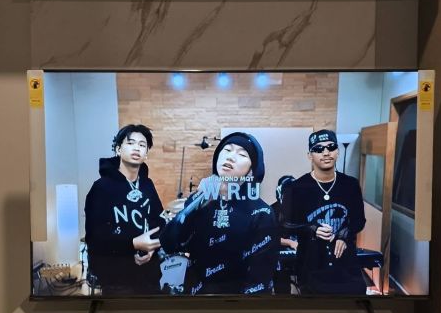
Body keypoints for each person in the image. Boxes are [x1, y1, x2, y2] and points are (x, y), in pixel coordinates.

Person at [154, 132, 279, 295]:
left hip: (237, 303)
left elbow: (260, 279)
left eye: (242, 154)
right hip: (196, 299)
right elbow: (169, 242)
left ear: (251, 171)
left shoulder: (261, 213)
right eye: (227, 150)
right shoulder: (199, 200)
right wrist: (197, 203)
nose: (231, 157)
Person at [276, 129, 367, 295]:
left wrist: (344, 234)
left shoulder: (351, 185)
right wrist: (312, 228)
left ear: (337, 152)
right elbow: (285, 224)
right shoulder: (295, 188)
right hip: (311, 268)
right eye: (318, 149)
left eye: (331, 147)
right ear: (309, 156)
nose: (326, 153)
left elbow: (359, 220)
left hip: (346, 267)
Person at [84, 124, 164, 296]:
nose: (137, 148)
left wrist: (152, 248)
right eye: (131, 143)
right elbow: (95, 238)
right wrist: (132, 244)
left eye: (142, 145)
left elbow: (159, 222)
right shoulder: (101, 188)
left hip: (149, 276)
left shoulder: (147, 185)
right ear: (118, 149)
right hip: (117, 280)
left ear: (146, 154)